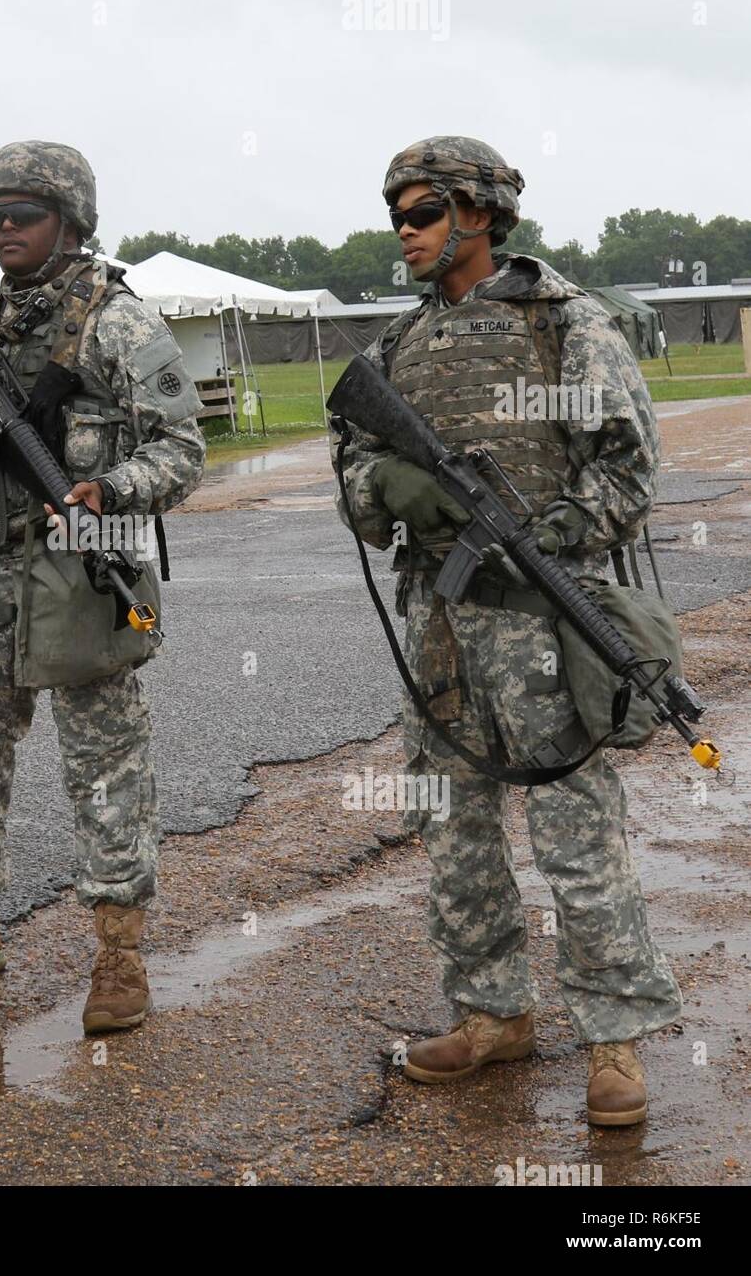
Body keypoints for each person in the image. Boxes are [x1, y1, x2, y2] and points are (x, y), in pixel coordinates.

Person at [333, 135, 680, 1125]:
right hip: (439, 635)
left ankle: (612, 1040)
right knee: (454, 835)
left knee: (579, 837)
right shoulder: (397, 346)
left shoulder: (561, 324)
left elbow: (628, 469)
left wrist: (543, 536)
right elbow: (353, 474)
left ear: (479, 213)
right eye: (396, 215)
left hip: (541, 628)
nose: (404, 232)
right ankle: (491, 1016)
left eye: (424, 212)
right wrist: (386, 485)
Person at [0, 140, 206, 1033]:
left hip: (75, 572)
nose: (5, 230)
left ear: (71, 220)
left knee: (103, 766)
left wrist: (113, 490)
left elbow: (181, 446)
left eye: (24, 215)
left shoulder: (117, 321)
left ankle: (117, 957)